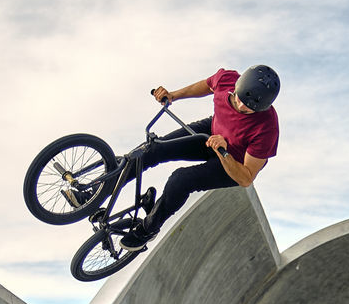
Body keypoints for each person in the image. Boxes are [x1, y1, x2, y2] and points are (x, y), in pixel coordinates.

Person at [115, 64, 280, 251]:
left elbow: (246, 178)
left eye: (250, 108)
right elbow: (206, 85)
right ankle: (99, 190)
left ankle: (147, 229)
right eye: (239, 99)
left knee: (181, 180)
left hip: (232, 164)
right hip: (211, 132)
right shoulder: (226, 79)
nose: (241, 107)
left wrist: (223, 152)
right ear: (236, 86)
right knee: (154, 149)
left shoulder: (267, 128)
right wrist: (173, 95)